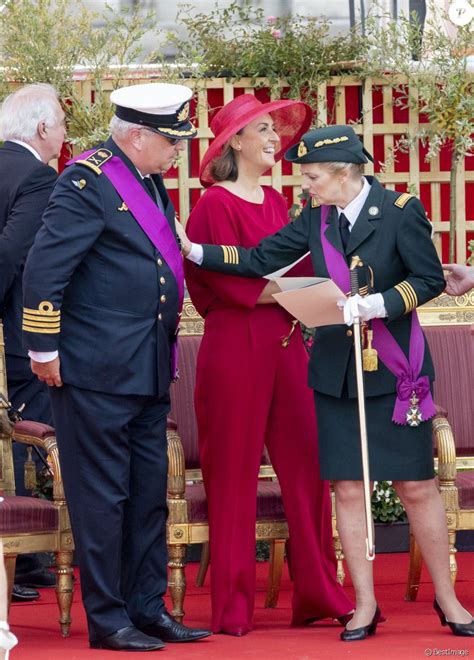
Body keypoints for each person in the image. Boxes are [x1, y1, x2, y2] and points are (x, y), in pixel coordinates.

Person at [177, 124, 474, 640]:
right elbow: (259, 260)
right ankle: (362, 605)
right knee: (346, 487)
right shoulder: (315, 218)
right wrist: (195, 250)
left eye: (313, 177)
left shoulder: (401, 211)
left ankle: (448, 602)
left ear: (344, 174)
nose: (305, 186)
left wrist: (377, 303)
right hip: (337, 372)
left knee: (417, 486)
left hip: (396, 367)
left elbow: (428, 280)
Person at [22, 82, 212, 652]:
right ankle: (108, 619)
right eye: (171, 139)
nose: (180, 149)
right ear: (135, 135)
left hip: (148, 366)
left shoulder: (151, 183)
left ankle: (147, 608)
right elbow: (45, 269)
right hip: (96, 370)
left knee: (146, 493)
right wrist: (44, 350)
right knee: (102, 499)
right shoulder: (86, 181)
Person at [184, 95, 354, 636]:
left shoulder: (280, 201)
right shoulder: (213, 204)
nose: (273, 138)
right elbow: (234, 286)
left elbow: (293, 273)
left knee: (307, 468)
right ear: (234, 142)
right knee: (231, 476)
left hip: (287, 344)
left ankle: (319, 594)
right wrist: (292, 290)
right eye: (262, 130)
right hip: (235, 349)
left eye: (273, 130)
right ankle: (233, 610)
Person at [0, 83, 65, 602]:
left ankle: (30, 559)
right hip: (20, 333)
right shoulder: (38, 177)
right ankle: (21, 559)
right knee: (25, 438)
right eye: (62, 124)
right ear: (42, 129)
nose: (65, 134)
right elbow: (14, 253)